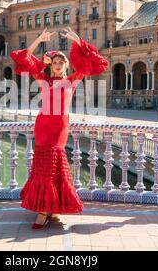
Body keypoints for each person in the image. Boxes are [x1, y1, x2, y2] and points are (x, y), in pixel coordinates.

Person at [9, 27, 109, 230]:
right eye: (54, 62)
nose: (57, 65)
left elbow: (96, 61)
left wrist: (78, 40)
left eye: (61, 62)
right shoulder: (43, 78)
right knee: (43, 167)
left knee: (54, 166)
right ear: (50, 65)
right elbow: (24, 58)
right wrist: (39, 39)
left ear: (66, 65)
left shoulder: (72, 79)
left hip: (59, 127)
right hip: (43, 125)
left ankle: (47, 210)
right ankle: (46, 209)